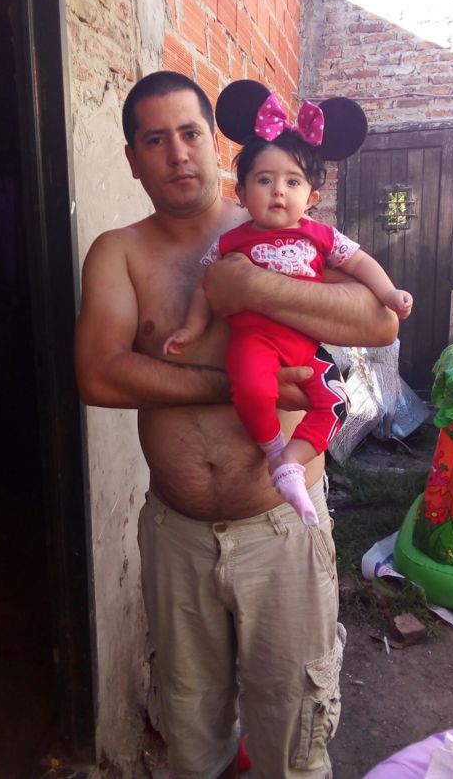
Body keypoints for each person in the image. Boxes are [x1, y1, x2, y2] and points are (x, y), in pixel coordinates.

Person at [74, 70, 399, 779]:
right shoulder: (119, 253)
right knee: (191, 729)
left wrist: (256, 286)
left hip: (279, 531)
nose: (177, 154)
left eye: (190, 133)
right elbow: (99, 374)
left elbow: (379, 321)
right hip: (177, 536)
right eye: (155, 140)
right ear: (132, 158)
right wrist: (234, 388)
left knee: (293, 732)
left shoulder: (272, 225)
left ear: (215, 144)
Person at [164, 83, 413, 527]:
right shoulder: (232, 241)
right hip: (254, 341)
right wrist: (191, 328)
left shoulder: (321, 236)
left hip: (305, 347)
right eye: (265, 180)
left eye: (292, 182)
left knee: (335, 402)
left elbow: (360, 263)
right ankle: (274, 450)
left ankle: (292, 463)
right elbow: (207, 287)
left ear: (311, 198)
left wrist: (389, 293)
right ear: (242, 194)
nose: (278, 191)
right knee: (252, 388)